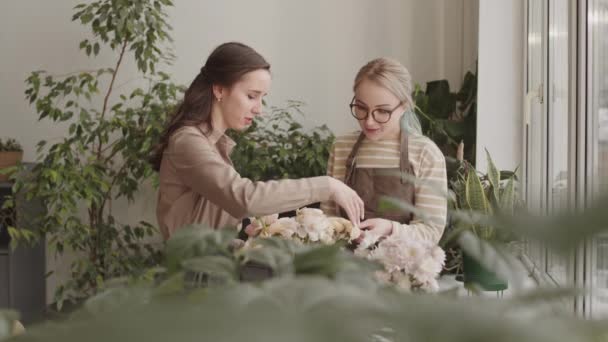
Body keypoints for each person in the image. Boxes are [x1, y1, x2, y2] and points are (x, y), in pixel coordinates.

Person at [150, 42, 363, 240]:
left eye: (262, 98)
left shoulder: (212, 145)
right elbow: (246, 198)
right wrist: (326, 186)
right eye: (252, 96)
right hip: (196, 277)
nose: (259, 109)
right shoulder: (188, 141)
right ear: (219, 90)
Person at [320, 58, 447, 244]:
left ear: (404, 106)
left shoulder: (425, 153)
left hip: (401, 268)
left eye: (382, 111)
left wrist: (390, 229)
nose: (369, 121)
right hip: (346, 267)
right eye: (361, 108)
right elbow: (328, 219)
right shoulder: (342, 147)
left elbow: (431, 232)